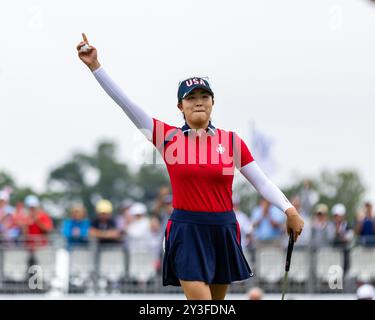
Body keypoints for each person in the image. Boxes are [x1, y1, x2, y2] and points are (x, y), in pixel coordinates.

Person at [76, 33, 304, 300]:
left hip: (223, 228)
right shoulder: (168, 137)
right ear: (180, 106)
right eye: (191, 97)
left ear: (212, 102)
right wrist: (95, 67)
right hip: (187, 230)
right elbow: (126, 103)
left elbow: (262, 182)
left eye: (204, 96)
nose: (198, 101)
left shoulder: (231, 141)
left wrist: (289, 209)